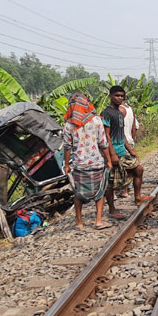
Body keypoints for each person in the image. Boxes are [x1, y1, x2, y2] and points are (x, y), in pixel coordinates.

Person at [63, 92, 112, 230]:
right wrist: (108, 160)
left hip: (79, 165)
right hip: (96, 163)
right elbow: (103, 143)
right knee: (99, 192)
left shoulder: (69, 125)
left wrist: (66, 165)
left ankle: (79, 223)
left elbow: (67, 148)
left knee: (78, 194)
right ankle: (98, 221)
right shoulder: (96, 121)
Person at [101, 85, 150, 220]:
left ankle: (138, 198)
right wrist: (112, 155)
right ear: (110, 96)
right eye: (117, 95)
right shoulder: (107, 113)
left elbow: (121, 135)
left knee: (138, 170)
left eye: (122, 96)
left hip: (122, 150)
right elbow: (106, 136)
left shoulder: (120, 113)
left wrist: (131, 151)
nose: (119, 98)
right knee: (110, 182)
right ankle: (111, 209)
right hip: (112, 153)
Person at [117, 100, 139, 198]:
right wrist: (132, 140)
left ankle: (122, 190)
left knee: (121, 166)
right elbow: (135, 127)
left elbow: (118, 130)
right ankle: (127, 189)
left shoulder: (119, 110)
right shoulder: (130, 109)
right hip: (129, 141)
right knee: (129, 166)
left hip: (122, 142)